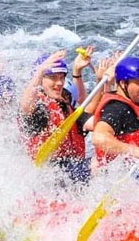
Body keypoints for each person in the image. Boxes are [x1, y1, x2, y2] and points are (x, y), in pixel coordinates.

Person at [19, 47, 101, 183]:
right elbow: (25, 106)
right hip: (48, 173)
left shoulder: (66, 106)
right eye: (52, 78)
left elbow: (91, 117)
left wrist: (104, 83)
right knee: (96, 165)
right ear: (40, 81)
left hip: (73, 167)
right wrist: (40, 71)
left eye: (61, 78)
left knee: (104, 161)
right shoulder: (38, 110)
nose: (59, 83)